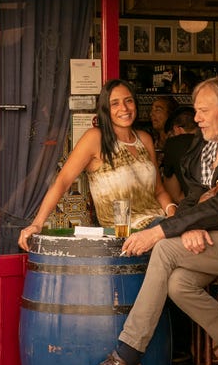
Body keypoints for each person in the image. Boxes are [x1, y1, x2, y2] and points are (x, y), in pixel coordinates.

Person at [74, 76, 218, 365]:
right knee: (179, 284)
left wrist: (166, 231)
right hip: (213, 236)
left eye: (204, 111)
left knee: (164, 249)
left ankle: (126, 357)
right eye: (196, 111)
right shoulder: (205, 145)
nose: (197, 119)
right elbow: (195, 197)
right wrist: (190, 223)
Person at [18, 79, 177, 250]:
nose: (124, 108)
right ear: (105, 110)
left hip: (159, 226)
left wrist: (173, 216)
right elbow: (62, 181)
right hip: (125, 234)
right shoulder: (95, 138)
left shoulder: (144, 139)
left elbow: (159, 190)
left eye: (128, 101)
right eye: (115, 103)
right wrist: (37, 224)